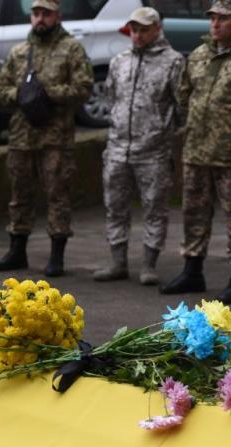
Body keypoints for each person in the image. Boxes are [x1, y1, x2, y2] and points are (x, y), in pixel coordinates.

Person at [0, 0, 93, 277]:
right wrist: (21, 95)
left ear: (57, 16)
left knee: (58, 195)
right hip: (21, 137)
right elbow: (0, 89)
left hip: (55, 138)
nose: (40, 19)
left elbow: (84, 88)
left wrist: (48, 93)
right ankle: (17, 250)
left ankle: (56, 254)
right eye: (36, 14)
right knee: (19, 195)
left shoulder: (71, 49)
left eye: (46, 14)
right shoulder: (20, 51)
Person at [94, 7, 185, 286]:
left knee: (155, 208)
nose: (138, 35)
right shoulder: (119, 61)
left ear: (157, 29)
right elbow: (112, 97)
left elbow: (182, 106)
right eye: (134, 30)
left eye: (144, 30)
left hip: (153, 151)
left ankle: (149, 264)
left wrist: (162, 131)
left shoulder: (173, 62)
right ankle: (118, 262)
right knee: (115, 206)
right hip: (118, 148)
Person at [160, 0, 231, 300]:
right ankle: (192, 272)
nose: (215, 24)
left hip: (228, 155)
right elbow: (184, 95)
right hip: (197, 150)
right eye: (212, 18)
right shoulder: (200, 54)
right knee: (193, 213)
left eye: (223, 19)